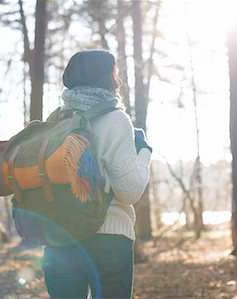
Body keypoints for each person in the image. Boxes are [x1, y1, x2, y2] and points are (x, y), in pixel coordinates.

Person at [41, 50, 152, 299]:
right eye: (114, 73)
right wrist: (144, 152)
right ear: (102, 77)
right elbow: (130, 191)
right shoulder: (114, 119)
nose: (118, 81)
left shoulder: (55, 121)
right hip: (108, 240)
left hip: (59, 239)